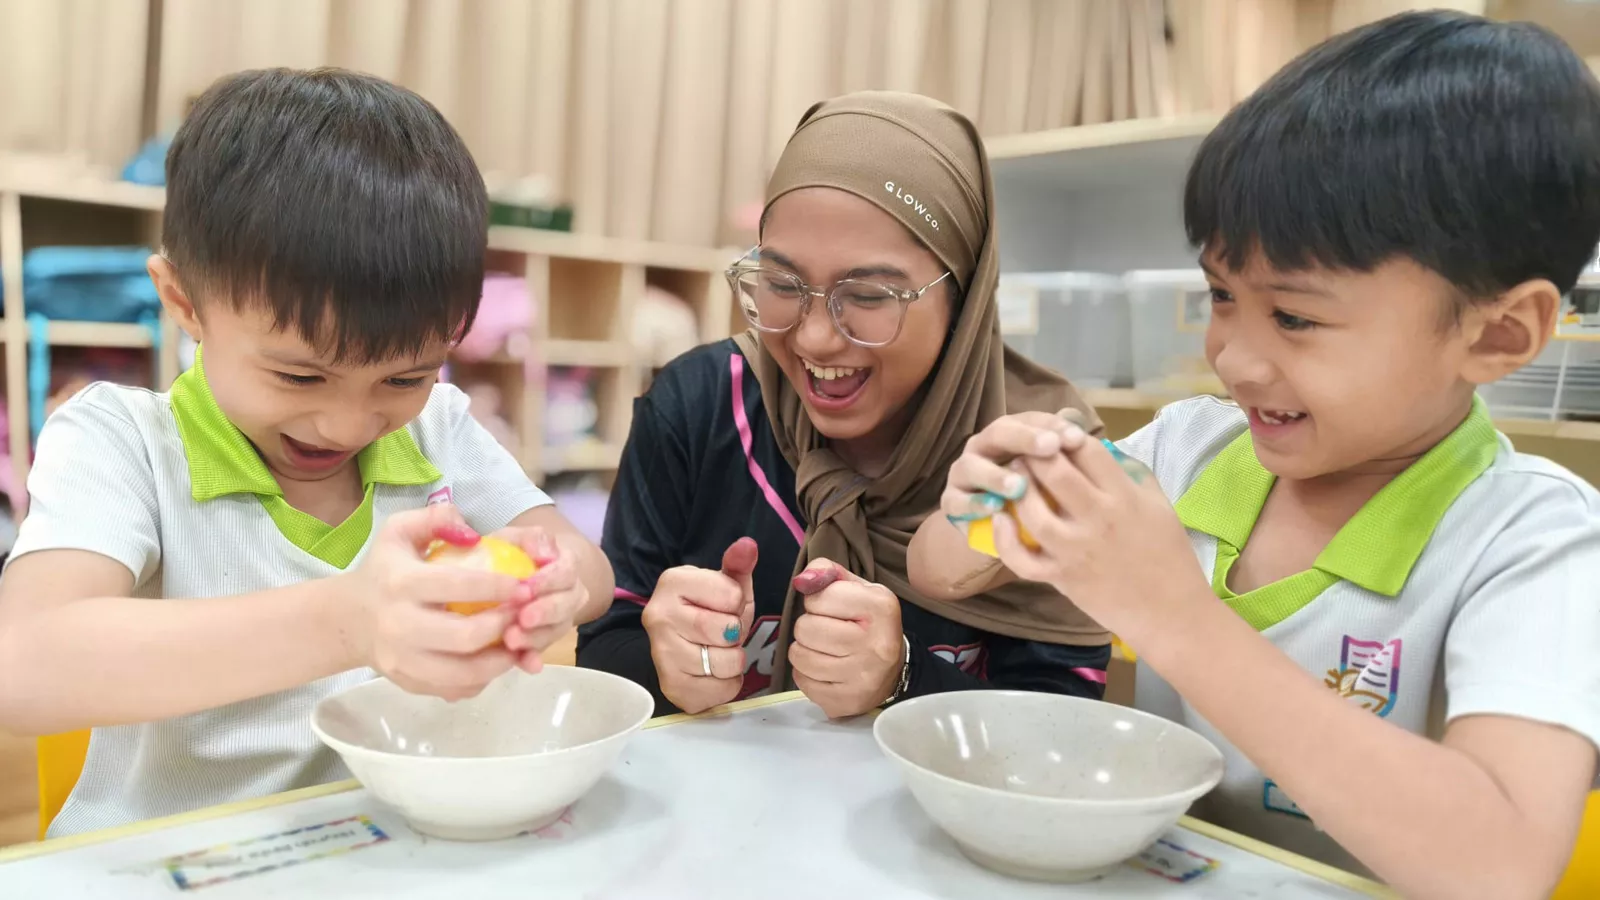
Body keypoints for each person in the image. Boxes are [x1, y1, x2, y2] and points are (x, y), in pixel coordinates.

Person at [916, 11, 1600, 897]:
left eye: (1295, 317)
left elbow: (1499, 864)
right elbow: (936, 566)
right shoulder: (1189, 449)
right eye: (1220, 295)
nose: (1232, 356)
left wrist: (1170, 612)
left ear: (1499, 333)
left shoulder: (1536, 539)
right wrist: (983, 509)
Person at [0, 68, 614, 837]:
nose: (348, 424)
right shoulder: (121, 442)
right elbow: (25, 664)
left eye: (406, 374)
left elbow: (583, 564)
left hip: (371, 845)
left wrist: (554, 585)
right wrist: (349, 622)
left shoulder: (437, 428)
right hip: (165, 858)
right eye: (299, 373)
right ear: (185, 301)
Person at [577, 91, 1111, 719]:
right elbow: (602, 652)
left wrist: (904, 677)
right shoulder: (699, 408)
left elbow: (1067, 731)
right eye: (779, 284)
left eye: (870, 294)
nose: (813, 338)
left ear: (964, 300)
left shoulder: (1033, 459)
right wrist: (665, 664)